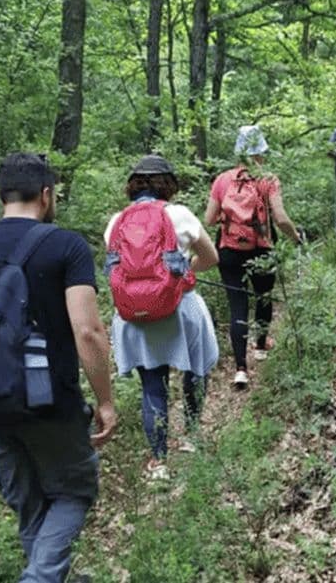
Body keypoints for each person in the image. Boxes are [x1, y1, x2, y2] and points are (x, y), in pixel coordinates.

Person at [0, 152, 117, 583]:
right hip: (50, 401)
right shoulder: (66, 246)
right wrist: (107, 401)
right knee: (75, 491)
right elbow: (88, 331)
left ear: (1, 195)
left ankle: (48, 575)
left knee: (30, 504)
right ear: (46, 195)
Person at [105, 155, 219, 481]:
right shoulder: (179, 214)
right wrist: (183, 272)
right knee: (196, 370)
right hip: (180, 307)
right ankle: (193, 436)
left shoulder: (117, 221)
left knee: (152, 385)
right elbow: (211, 258)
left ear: (134, 184)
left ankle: (159, 462)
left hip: (135, 316)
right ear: (167, 184)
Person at [204, 125, 301, 388]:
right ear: (262, 152)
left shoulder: (223, 180)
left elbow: (209, 219)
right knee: (263, 296)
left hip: (229, 250)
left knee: (237, 305)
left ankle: (240, 368)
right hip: (262, 249)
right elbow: (280, 218)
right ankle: (260, 346)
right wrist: (296, 237)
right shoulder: (268, 179)